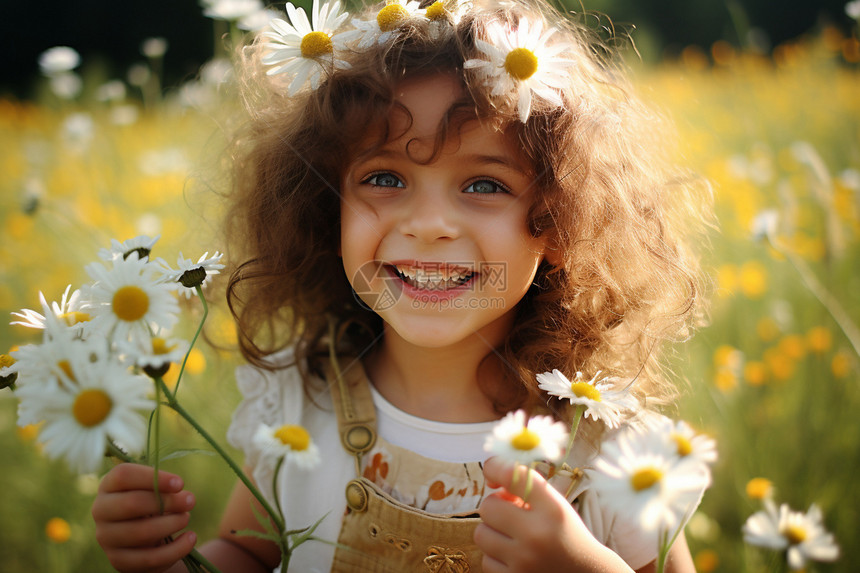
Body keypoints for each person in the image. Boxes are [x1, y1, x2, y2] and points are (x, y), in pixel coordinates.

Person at [92, 0, 712, 571]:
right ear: (325, 205)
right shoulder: (300, 400)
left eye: (484, 185)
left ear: (558, 225)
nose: (429, 225)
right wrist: (172, 562)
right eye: (385, 178)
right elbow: (247, 553)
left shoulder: (614, 453)